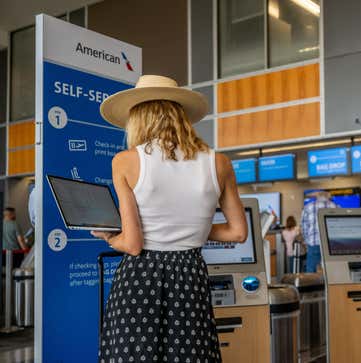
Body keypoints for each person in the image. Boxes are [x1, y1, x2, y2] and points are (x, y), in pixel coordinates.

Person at [93, 75, 248, 363]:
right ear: (180, 115)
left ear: (140, 118)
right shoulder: (219, 163)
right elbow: (238, 233)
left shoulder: (126, 161)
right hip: (190, 274)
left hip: (140, 276)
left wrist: (110, 237)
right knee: (190, 354)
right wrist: (192, 229)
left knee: (133, 355)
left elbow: (133, 243)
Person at [301, 191, 337, 272]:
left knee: (311, 271)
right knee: (331, 271)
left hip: (313, 243)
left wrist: (307, 242)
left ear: (317, 197)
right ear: (327, 196)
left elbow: (304, 227)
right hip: (330, 244)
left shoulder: (308, 207)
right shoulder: (334, 206)